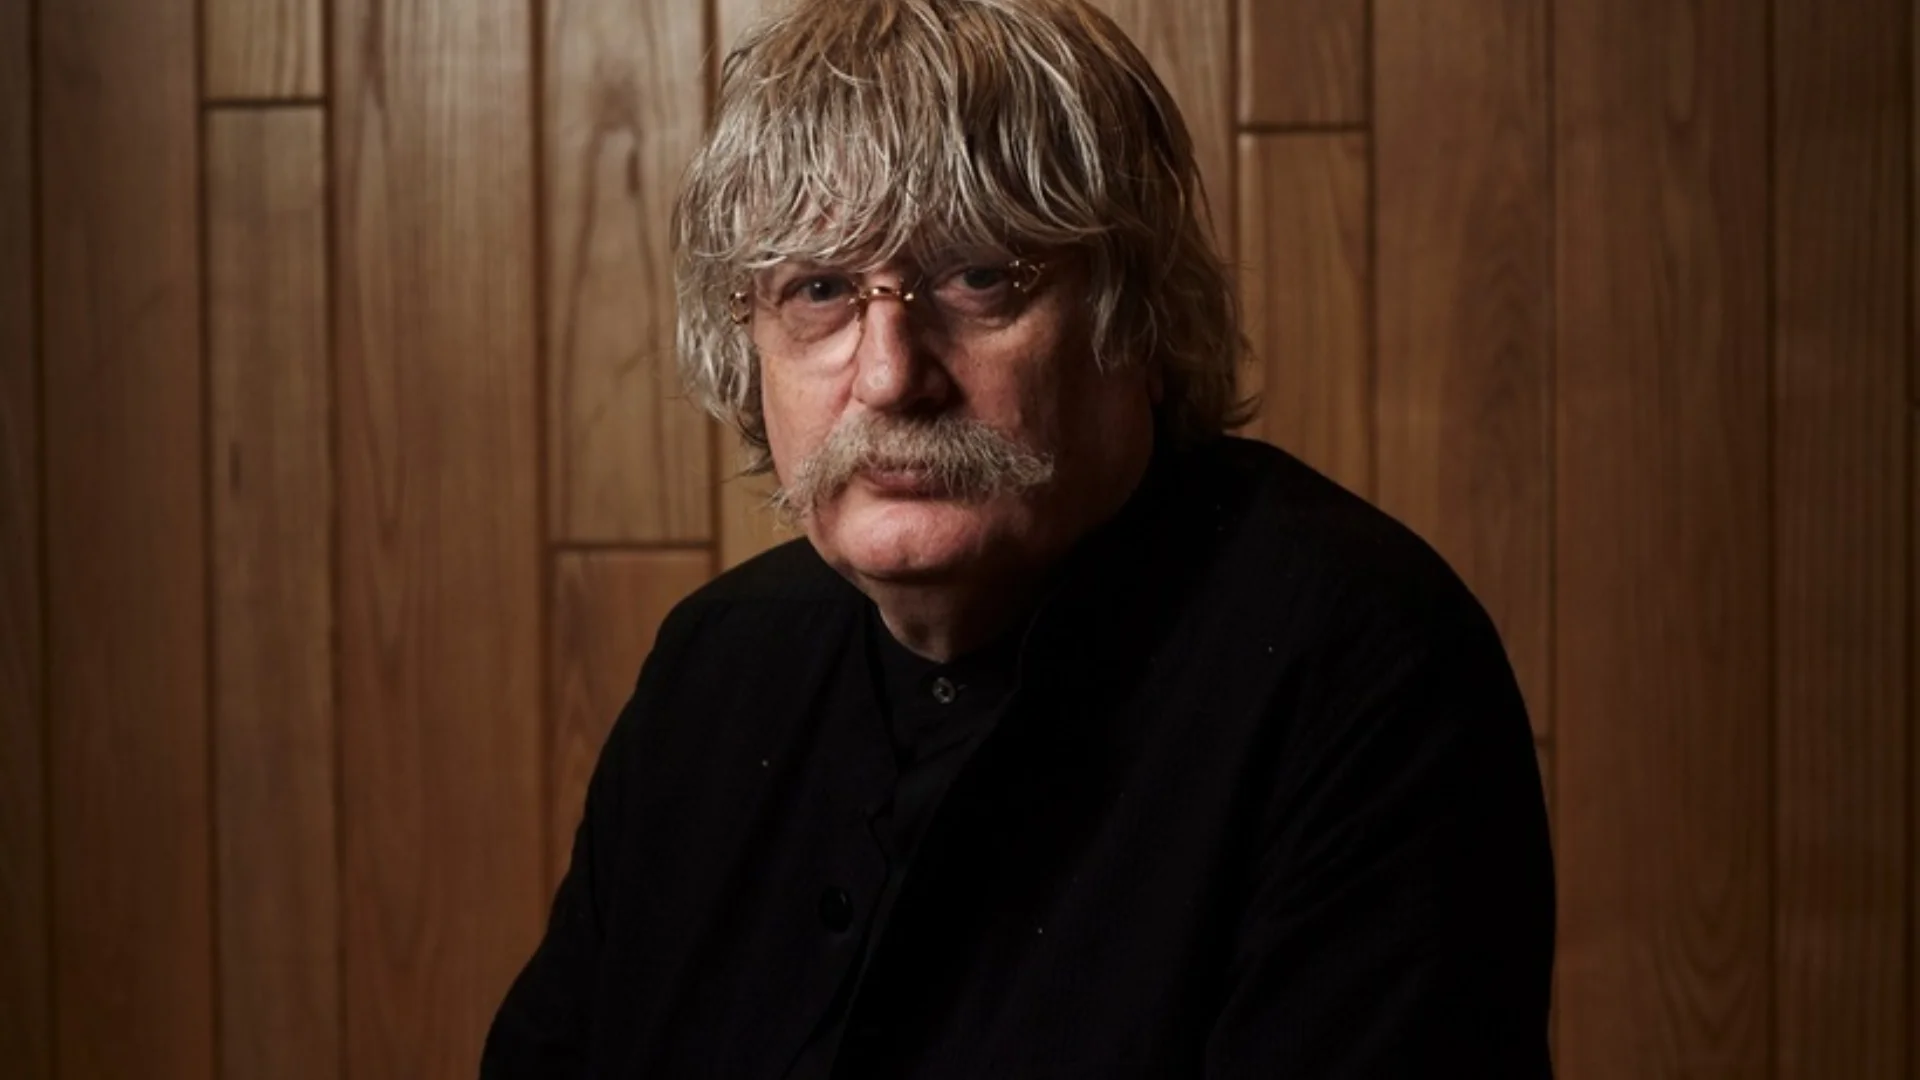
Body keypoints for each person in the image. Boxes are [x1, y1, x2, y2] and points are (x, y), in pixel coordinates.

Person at [483, 0, 1554, 1075]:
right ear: (749, 344)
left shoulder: (1356, 660)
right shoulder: (714, 667)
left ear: (1134, 313)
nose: (891, 375)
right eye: (820, 289)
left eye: (978, 276)